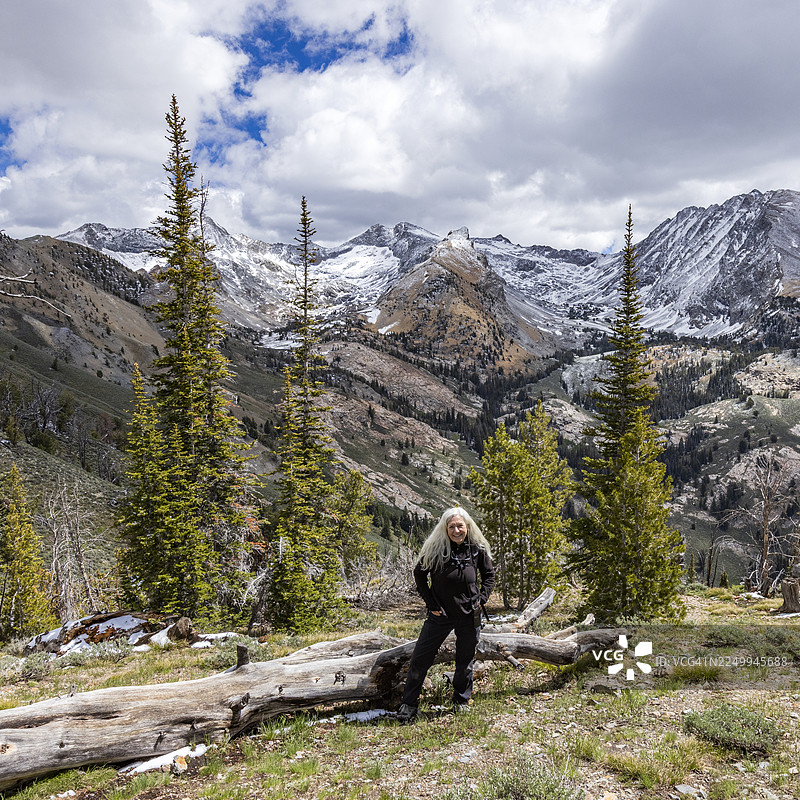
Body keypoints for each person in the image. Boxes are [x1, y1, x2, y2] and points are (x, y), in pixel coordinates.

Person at [397, 506, 495, 723]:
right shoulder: (437, 549)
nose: (456, 530)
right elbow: (419, 574)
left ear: (467, 527)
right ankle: (409, 704)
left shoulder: (476, 550)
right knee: (420, 658)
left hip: (469, 613)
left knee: (465, 660)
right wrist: (431, 603)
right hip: (440, 614)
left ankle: (461, 700)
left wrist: (482, 599)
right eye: (451, 527)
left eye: (460, 526)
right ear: (445, 528)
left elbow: (489, 575)